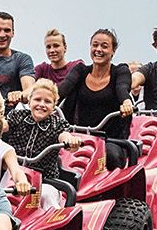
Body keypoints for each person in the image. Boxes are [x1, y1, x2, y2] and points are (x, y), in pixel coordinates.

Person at [57, 28, 138, 168]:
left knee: (111, 155)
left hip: (110, 140)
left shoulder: (120, 71)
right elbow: (62, 89)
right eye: (95, 45)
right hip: (77, 136)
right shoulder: (80, 70)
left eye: (104, 46)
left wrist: (126, 102)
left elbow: (122, 88)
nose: (98, 49)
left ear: (113, 51)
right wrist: (43, 101)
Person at [2, 79, 84, 204]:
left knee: (46, 195)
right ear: (29, 102)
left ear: (53, 106)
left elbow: (64, 135)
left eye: (47, 101)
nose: (41, 104)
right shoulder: (18, 116)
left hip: (45, 180)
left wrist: (70, 140)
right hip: (14, 175)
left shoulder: (58, 124)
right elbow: (2, 125)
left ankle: (55, 221)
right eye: (37, 99)